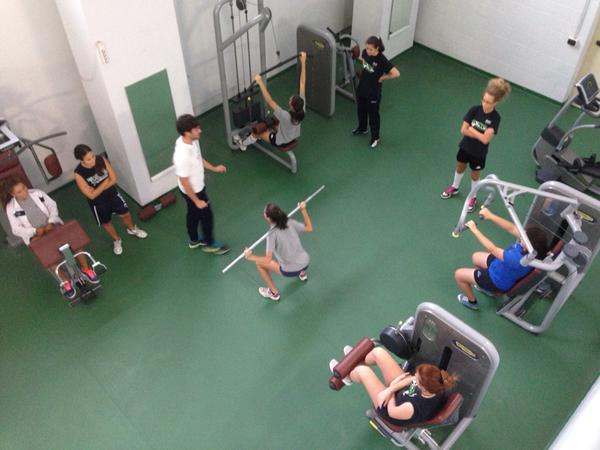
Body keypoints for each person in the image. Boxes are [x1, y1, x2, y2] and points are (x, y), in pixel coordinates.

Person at [1, 176, 99, 299]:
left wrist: (51, 222)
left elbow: (52, 206)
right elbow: (16, 229)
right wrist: (35, 230)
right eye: (19, 192)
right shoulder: (11, 208)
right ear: (12, 194)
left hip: (52, 226)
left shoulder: (37, 193)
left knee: (75, 244)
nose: (25, 192)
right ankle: (66, 281)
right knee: (50, 258)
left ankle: (85, 269)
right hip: (36, 235)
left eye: (24, 188)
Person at [331, 347, 457, 427]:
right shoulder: (436, 383)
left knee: (363, 371)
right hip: (400, 392)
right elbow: (412, 380)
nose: (415, 376)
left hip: (389, 408)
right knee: (378, 352)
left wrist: (390, 391)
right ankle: (355, 361)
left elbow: (392, 412)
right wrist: (393, 387)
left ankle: (347, 376)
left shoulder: (413, 407)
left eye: (417, 377)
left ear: (423, 388)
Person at [455, 207, 548, 310]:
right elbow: (512, 228)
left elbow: (492, 249)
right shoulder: (534, 249)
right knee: (475, 257)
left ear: (529, 245)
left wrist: (475, 230)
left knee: (459, 275)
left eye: (524, 237)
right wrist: (490, 216)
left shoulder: (516, 259)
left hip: (496, 280)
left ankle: (472, 301)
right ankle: (485, 288)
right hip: (501, 266)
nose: (521, 236)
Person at [440, 78, 511, 212]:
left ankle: (473, 196)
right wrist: (479, 134)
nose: (484, 104)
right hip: (465, 147)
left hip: (479, 152)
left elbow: (485, 140)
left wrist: (472, 129)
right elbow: (463, 130)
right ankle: (455, 187)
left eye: (488, 102)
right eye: (483, 100)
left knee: (475, 174)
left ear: (496, 102)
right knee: (460, 167)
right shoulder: (474, 110)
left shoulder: (496, 118)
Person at [74, 144, 147, 255]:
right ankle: (116, 240)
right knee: (106, 222)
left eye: (93, 156)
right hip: (97, 203)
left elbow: (114, 179)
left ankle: (132, 229)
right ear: (81, 160)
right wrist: (104, 181)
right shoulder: (79, 173)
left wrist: (96, 189)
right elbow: (91, 196)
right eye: (88, 159)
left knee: (125, 213)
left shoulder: (100, 159)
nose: (93, 160)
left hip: (112, 194)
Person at [173, 114, 230, 254]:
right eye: (196, 129)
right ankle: (209, 243)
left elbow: (199, 158)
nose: (200, 131)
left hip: (194, 189)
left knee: (192, 213)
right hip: (194, 191)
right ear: (187, 132)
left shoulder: (190, 141)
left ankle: (193, 240)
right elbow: (184, 181)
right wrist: (197, 200)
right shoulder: (182, 156)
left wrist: (214, 168)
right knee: (206, 216)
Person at [234, 51, 307, 151]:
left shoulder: (285, 115)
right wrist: (303, 61)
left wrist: (260, 82)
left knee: (257, 133)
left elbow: (269, 100)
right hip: (293, 135)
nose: (290, 98)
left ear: (292, 107)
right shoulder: (302, 108)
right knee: (274, 120)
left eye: (291, 99)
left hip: (280, 140)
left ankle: (243, 144)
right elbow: (302, 83)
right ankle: (269, 131)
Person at [243, 201, 312, 301]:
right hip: (305, 263)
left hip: (290, 270)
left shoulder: (271, 235)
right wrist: (303, 210)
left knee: (259, 263)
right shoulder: (290, 222)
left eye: (264, 213)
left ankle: (274, 293)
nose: (263, 214)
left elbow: (267, 259)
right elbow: (309, 228)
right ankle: (302, 273)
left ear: (268, 218)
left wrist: (250, 256)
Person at [351, 36, 400, 149]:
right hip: (362, 88)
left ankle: (375, 138)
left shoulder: (382, 60)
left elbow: (396, 73)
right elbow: (364, 61)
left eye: (370, 49)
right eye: (367, 48)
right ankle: (362, 128)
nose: (368, 51)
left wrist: (382, 78)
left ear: (377, 48)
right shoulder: (365, 52)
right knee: (361, 110)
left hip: (373, 93)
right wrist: (368, 69)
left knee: (373, 116)